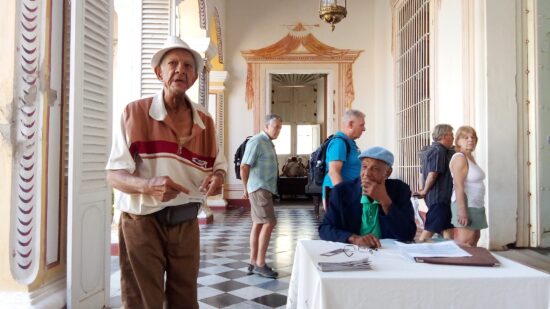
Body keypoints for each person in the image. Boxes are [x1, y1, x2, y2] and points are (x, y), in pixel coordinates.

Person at [105, 36, 227, 309]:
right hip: (142, 219)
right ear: (159, 72)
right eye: (172, 63)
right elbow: (113, 175)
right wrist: (148, 185)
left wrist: (217, 179)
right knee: (142, 299)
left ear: (195, 77)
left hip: (186, 221)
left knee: (185, 298)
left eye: (187, 65)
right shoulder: (135, 113)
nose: (180, 70)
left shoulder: (205, 120)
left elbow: (219, 166)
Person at [319, 146, 417, 248]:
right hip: (353, 254)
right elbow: (325, 229)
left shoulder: (399, 190)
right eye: (364, 167)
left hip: (388, 253)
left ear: (388, 173)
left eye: (375, 169)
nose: (366, 174)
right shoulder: (342, 191)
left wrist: (385, 201)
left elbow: (408, 235)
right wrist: (354, 239)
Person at [240, 114, 283, 278]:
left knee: (259, 223)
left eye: (280, 127)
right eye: (275, 127)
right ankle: (260, 263)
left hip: (263, 189)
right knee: (269, 222)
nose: (278, 130)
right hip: (259, 188)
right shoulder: (257, 141)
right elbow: (244, 166)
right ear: (266, 126)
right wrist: (245, 188)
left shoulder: (267, 142)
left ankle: (252, 262)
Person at [449, 126, 488, 246]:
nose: (470, 139)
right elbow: (458, 185)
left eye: (473, 137)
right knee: (466, 242)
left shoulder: (470, 157)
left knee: (474, 240)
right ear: (458, 141)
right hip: (466, 206)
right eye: (466, 137)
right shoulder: (460, 158)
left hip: (476, 205)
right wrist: (462, 211)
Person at [416, 124, 455, 242]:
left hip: (439, 199)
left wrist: (423, 189)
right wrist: (424, 191)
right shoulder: (439, 151)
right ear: (444, 136)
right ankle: (418, 253)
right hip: (440, 198)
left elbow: (422, 174)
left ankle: (450, 252)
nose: (453, 138)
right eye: (451, 135)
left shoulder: (428, 151)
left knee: (447, 228)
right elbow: (433, 174)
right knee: (429, 230)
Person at [322, 109, 365, 208]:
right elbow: (333, 172)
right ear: (350, 124)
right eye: (361, 125)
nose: (364, 129)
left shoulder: (349, 142)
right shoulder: (339, 143)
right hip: (339, 196)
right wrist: (343, 197)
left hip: (349, 194)